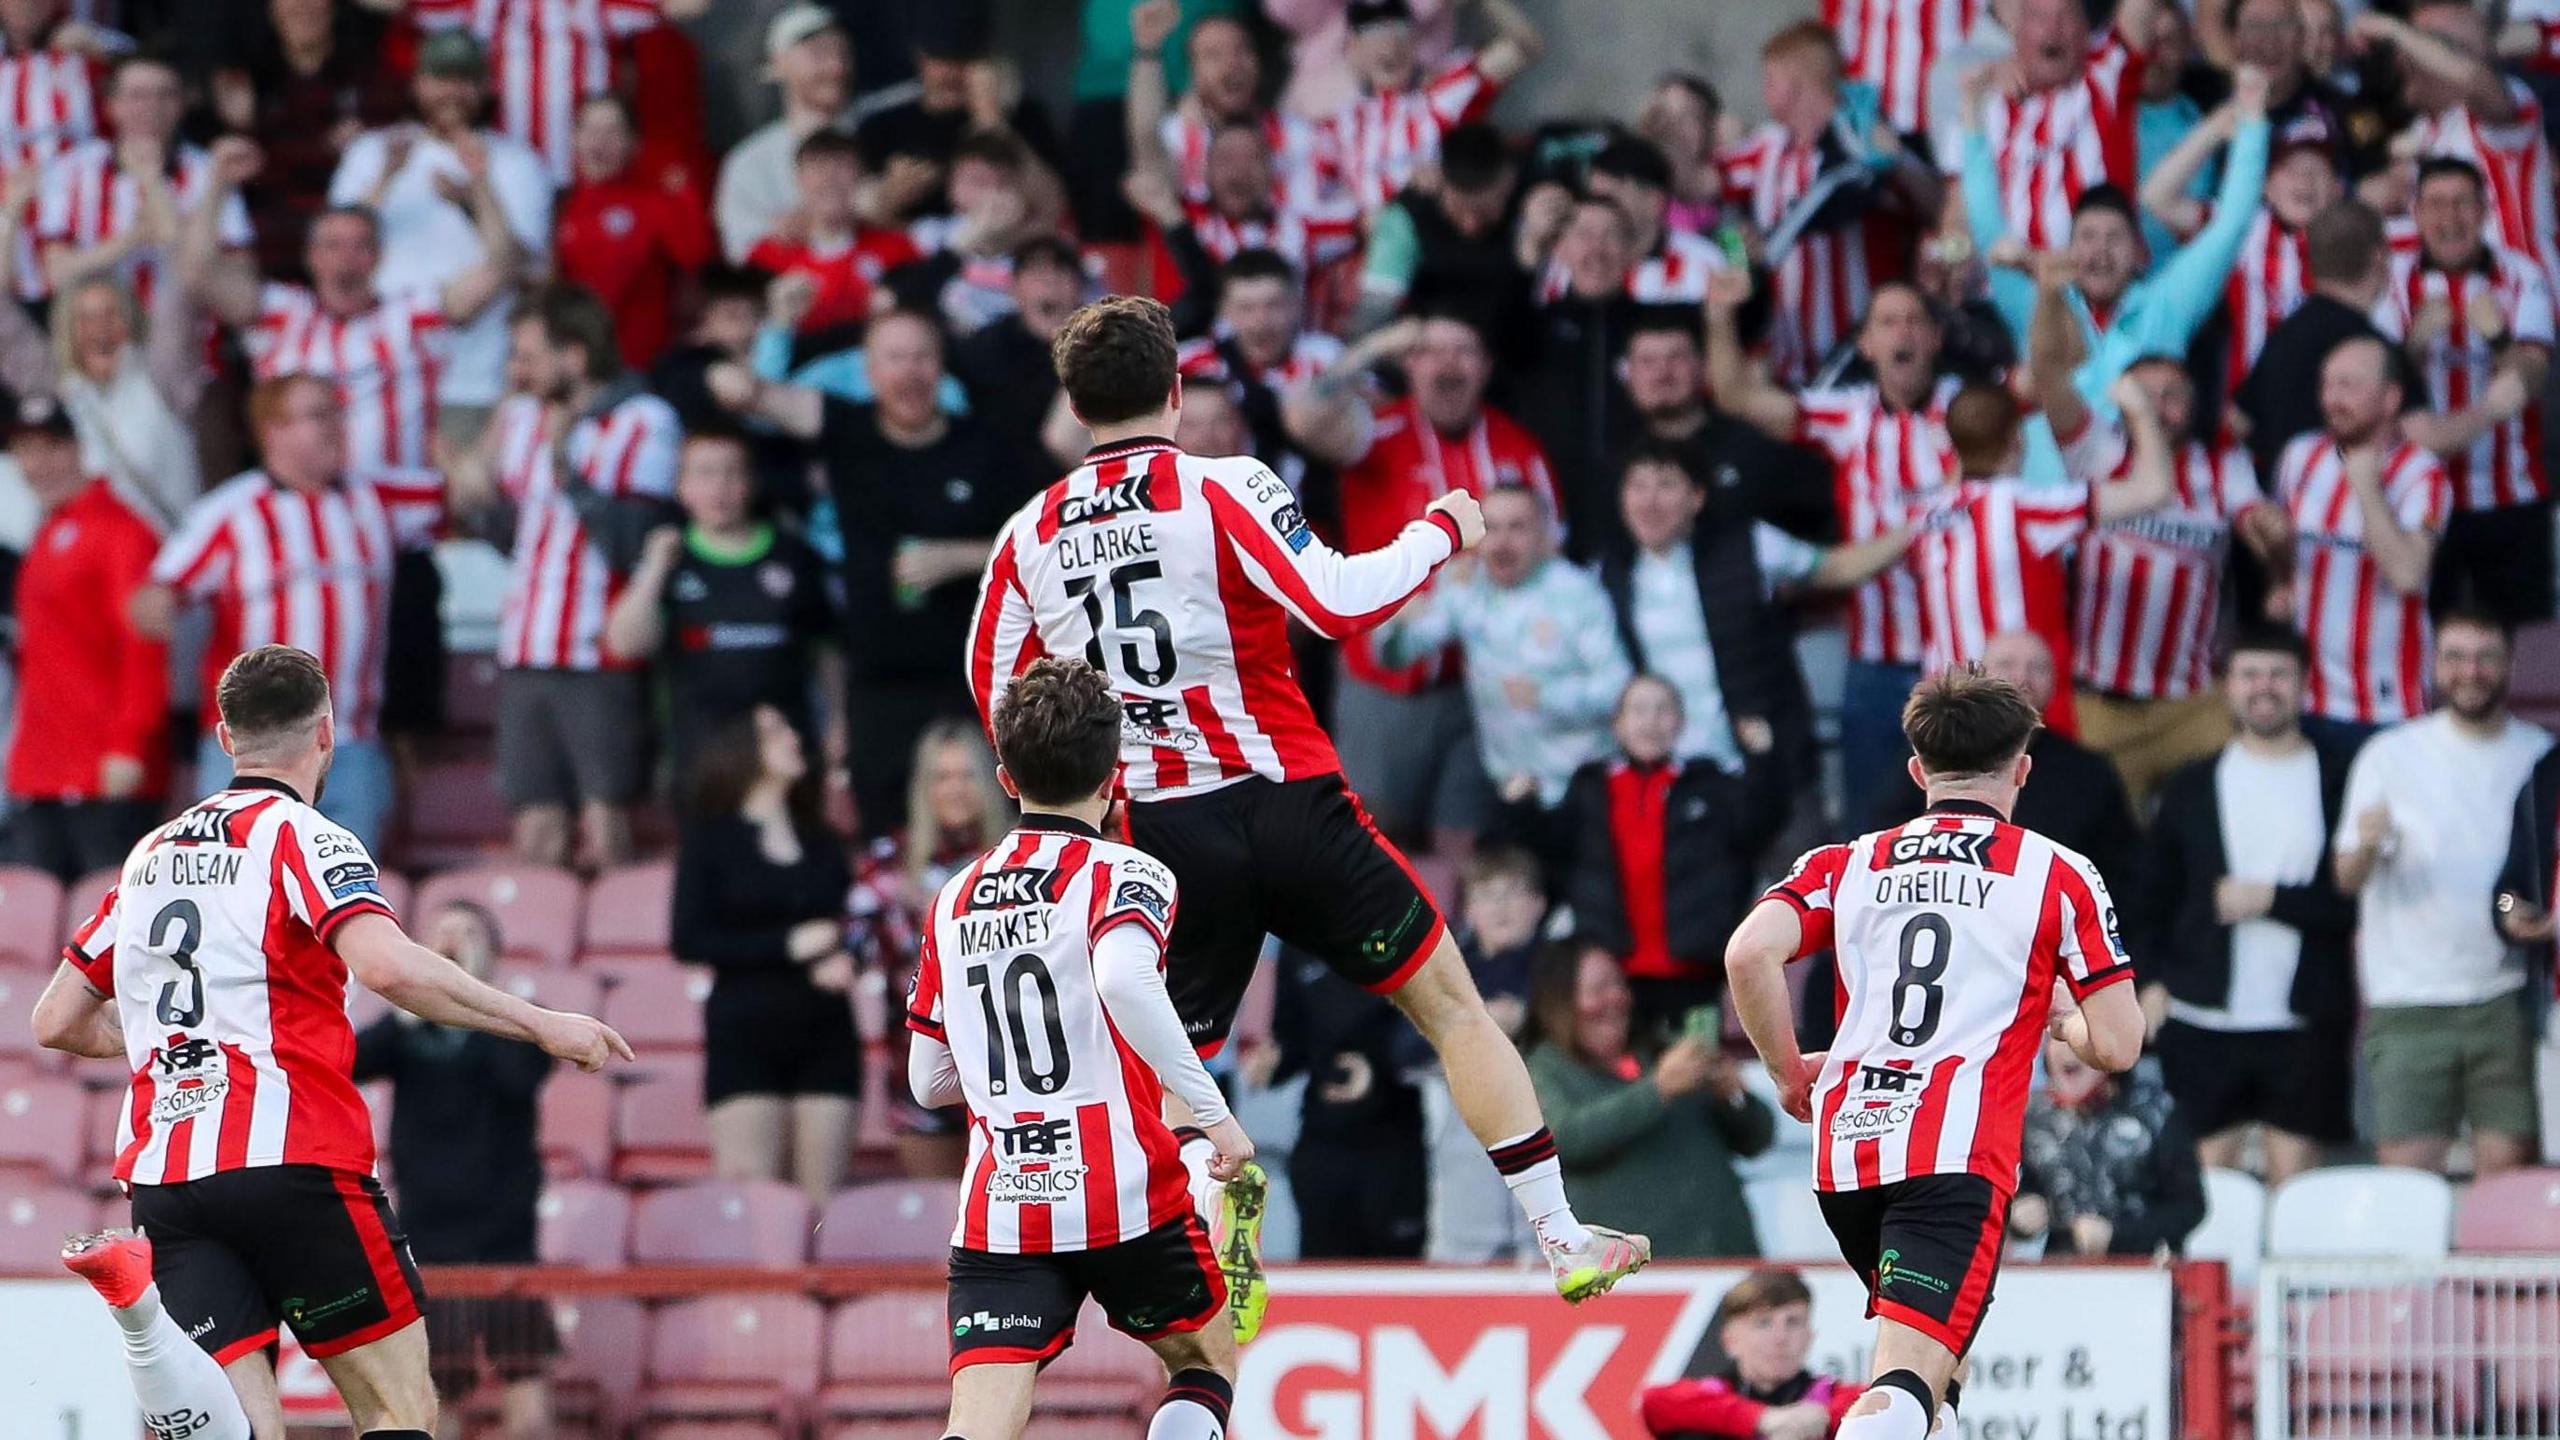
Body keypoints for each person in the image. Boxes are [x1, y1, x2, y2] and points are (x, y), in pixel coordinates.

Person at [968, 296, 1652, 1313]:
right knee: (1452, 1009)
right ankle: (1560, 1239)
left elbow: (996, 694)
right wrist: (1438, 532)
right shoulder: (1220, 486)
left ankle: (1199, 1258)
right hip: (1288, 803)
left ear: (1073, 405)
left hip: (1159, 835)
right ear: (1175, 389)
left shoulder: (1026, 536)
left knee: (1172, 1076)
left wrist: (1087, 803)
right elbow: (1335, 602)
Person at [32, 643, 627, 1440]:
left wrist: (178, 1040)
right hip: (293, 1163)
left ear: (224, 739)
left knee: (241, 1427)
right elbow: (386, 967)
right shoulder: (308, 837)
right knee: (396, 1409)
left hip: (167, 1177)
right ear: (326, 735)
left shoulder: (148, 858)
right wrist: (542, 1023)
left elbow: (55, 1021)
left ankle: (143, 1320)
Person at [1727, 669, 2146, 1440]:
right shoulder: (2056, 874)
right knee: (1905, 1379)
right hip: (1953, 1158)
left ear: (1920, 772)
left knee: (1940, 1381)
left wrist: (1788, 1073)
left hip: (1847, 1156)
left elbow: (1749, 954)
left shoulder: (1848, 862)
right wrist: (2062, 1021)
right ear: (2022, 768)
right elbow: (2118, 1044)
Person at [909, 657, 1249, 1440]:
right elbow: (1126, 980)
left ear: (1004, 776)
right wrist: (1215, 1116)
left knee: (983, 1419)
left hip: (1006, 1205)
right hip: (1123, 1193)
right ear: (1111, 775)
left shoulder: (952, 898)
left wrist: (1009, 1082)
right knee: (1205, 1361)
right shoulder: (1129, 873)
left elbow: (928, 1082)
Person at [705, 308, 1044, 838]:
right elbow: (741, 392)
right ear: (868, 370)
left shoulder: (988, 446)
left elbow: (1046, 543)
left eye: (921, 357)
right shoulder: (847, 427)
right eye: (893, 358)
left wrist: (959, 556)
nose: (909, 372)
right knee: (883, 834)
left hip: (973, 684)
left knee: (990, 832)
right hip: (879, 684)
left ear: (941, 368)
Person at [1285, 308, 1558, 851]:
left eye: (1463, 352)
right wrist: (1374, 345)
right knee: (1373, 845)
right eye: (1430, 351)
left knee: (1468, 846)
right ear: (1409, 365)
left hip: (1478, 692)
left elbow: (1551, 556)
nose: (1448, 366)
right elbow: (1303, 419)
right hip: (1382, 683)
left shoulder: (1520, 449)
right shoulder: (1376, 432)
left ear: (1485, 367)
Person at [133, 375, 442, 853]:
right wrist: (162, 612)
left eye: (337, 412)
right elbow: (156, 596)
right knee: (245, 903)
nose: (336, 427)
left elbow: (461, 495)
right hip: (254, 750)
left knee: (347, 908)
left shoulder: (377, 497)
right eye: (319, 415)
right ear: (273, 431)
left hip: (350, 744)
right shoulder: (232, 511)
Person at [1707, 277, 1955, 821]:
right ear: (1865, 345)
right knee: (1869, 827)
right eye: (1887, 323)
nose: (1902, 333)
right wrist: (1721, 317)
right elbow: (1737, 397)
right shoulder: (1848, 415)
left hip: (1959, 660)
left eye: (1914, 320)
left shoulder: (1969, 410)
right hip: (1873, 660)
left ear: (1937, 337)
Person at [452, 283, 680, 869]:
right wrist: (480, 505)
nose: (516, 372)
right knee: (535, 828)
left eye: (528, 356)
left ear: (574, 355)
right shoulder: (524, 419)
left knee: (608, 827)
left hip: (598, 655)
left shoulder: (645, 421)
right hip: (525, 648)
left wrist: (568, 472)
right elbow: (518, 539)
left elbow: (635, 543)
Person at [2133, 626, 2356, 1188]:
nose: (2265, 688)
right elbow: (2149, 895)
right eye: (2250, 675)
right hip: (2201, 1014)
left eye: (2279, 675)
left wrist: (2273, 901)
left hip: (2304, 1018)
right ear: (2226, 688)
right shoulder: (2189, 786)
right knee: (2207, 1193)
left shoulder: (2341, 779)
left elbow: (2354, 904)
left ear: (2306, 685)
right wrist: (2150, 980)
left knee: (2299, 1190)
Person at [2334, 613, 2552, 1178]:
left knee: (2507, 1192)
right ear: (2433, 665)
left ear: (2509, 665)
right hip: (2408, 1002)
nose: (2470, 672)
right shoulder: (2389, 753)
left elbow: (2514, 888)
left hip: (2503, 1000)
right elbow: (2344, 878)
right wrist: (2367, 846)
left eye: (2486, 657)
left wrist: (2521, 915)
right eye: (2455, 656)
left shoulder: (2540, 754)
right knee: (2406, 1189)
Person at [351, 900, 559, 1440]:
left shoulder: (522, 1021)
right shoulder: (406, 1033)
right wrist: (410, 1006)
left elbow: (520, 1077)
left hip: (506, 1233)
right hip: (429, 1231)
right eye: (441, 936)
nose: (452, 943)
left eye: (467, 934)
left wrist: (471, 1000)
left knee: (527, 1394)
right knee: (436, 1398)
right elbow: (347, 1061)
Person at [2046, 353, 2287, 806]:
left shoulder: (2224, 468)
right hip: (2102, 706)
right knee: (2104, 849)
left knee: (2218, 826)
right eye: (2145, 395)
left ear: (2194, 407)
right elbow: (2050, 384)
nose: (2157, 407)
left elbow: (2260, 528)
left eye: (2171, 396)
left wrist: (2277, 549)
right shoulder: (2096, 451)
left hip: (2191, 705)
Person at [328, 28, 553, 449]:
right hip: (377, 374)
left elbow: (529, 267)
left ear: (485, 86)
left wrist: (476, 196)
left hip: (471, 378)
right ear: (418, 83)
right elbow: (335, 254)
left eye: (465, 79)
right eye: (441, 78)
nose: (452, 91)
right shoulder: (372, 151)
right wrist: (385, 178)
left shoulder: (516, 161)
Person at [674, 704, 862, 1207]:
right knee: (753, 1203)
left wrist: (850, 959)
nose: (794, 738)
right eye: (775, 732)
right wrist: (786, 947)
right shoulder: (711, 841)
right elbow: (689, 938)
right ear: (742, 753)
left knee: (824, 1207)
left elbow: (859, 921)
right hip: (745, 1028)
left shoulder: (823, 840)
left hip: (826, 1028)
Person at [1371, 482, 1631, 843]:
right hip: (1512, 791)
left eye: (1517, 527)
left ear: (1544, 535)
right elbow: (1397, 655)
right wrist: (1397, 619)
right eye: (1491, 528)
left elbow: (1618, 688)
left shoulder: (1578, 593)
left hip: (1584, 788)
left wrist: (1546, 696)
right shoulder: (1467, 589)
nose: (1502, 542)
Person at [2370, 158, 2555, 627]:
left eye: (2462, 203)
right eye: (2435, 204)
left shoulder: (2521, 273)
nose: (2449, 218)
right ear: (2415, 212)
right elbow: (2377, 387)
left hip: (2510, 493)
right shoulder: (2393, 277)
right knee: (2422, 637)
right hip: (2417, 494)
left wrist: (2497, 340)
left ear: (2484, 210)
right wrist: (2413, 344)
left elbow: (2533, 374)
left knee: (2524, 646)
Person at [1564, 673, 1790, 1038]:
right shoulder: (1589, 789)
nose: (1650, 721)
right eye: (1638, 710)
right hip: (1616, 976)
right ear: (1617, 724)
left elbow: (1760, 823)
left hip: (1694, 972)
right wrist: (1518, 804)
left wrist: (1763, 760)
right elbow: (1553, 852)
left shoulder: (1709, 785)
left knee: (1694, 1076)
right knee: (1629, 1082)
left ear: (1680, 723)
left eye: (1662, 710)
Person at [602, 427, 838, 774]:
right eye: (705, 473)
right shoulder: (670, 558)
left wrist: (837, 723)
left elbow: (828, 650)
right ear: (681, 487)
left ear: (752, 482)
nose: (719, 487)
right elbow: (624, 644)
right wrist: (654, 568)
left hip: (788, 756)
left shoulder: (795, 556)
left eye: (732, 473)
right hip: (701, 760)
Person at [1717, 23, 1940, 385]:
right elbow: (1705, 182)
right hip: (1787, 364)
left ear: (1795, 82)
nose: (1764, 90)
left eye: (1770, 78)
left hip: (1862, 362)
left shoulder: (1867, 139)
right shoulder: (1767, 149)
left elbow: (1935, 207)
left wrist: (1896, 158)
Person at [0, 395, 166, 881]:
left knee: (109, 926)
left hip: (103, 771)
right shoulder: (49, 531)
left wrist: (129, 745)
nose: (39, 464)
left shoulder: (121, 530)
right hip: (40, 770)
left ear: (76, 448)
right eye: (25, 451)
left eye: (51, 448)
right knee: (27, 930)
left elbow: (144, 646)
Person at [1523, 943, 1773, 1259]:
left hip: (1725, 1258)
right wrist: (1658, 1089)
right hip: (1633, 1273)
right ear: (1559, 1001)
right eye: (1599, 988)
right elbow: (1563, 1139)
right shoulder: (1543, 1069)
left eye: (1619, 985)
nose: (1615, 998)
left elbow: (1758, 1139)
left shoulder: (1667, 1051)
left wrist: (1733, 1095)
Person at [2272, 335, 2451, 752]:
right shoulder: (2300, 456)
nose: (2331, 399)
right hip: (2304, 700)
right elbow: (2285, 548)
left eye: (2348, 386)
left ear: (2390, 399)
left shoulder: (2421, 474)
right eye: (2326, 385)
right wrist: (2277, 578)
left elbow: (2407, 574)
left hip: (2389, 708)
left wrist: (2366, 488)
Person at [849, 719, 1013, 1172]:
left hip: (1016, 1068)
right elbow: (852, 954)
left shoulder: (1023, 861)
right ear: (924, 787)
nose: (955, 789)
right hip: (921, 1066)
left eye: (967, 776)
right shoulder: (887, 866)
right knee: (940, 1222)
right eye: (942, 777)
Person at [1861, 629, 2140, 891]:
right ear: (1979, 676)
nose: (2022, 678)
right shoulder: (1934, 752)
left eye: (2037, 668)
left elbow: (2120, 876)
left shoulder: (2089, 772)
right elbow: (1882, 848)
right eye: (2007, 665)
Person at [30, 51, 251, 307]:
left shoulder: (210, 172)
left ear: (182, 104)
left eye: (165, 95)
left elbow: (241, 293)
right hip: (90, 332)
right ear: (111, 105)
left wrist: (152, 183)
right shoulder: (71, 169)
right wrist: (134, 237)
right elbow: (57, 275)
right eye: (137, 96)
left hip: (181, 334)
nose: (151, 107)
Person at [1409, 846, 1543, 1262]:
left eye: (1512, 893)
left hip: (1547, 1144)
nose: (1500, 907)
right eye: (1487, 895)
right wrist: (1474, 1026)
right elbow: (1401, 1047)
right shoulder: (1446, 969)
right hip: (1465, 1164)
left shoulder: (1559, 966)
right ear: (1468, 909)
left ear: (1538, 905)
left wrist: (1530, 1018)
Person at [1264, 946, 1431, 1259]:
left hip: (1393, 1141)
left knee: (1398, 1278)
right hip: (1322, 1141)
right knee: (1323, 1276)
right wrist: (1271, 1062)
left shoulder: (1402, 926)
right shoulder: (1298, 946)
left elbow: (1422, 1035)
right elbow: (1290, 1038)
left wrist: (1381, 1061)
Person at [2231, 200, 2395, 492]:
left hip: (2282, 509)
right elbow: (2419, 434)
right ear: (2379, 257)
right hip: (2351, 513)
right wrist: (2492, 407)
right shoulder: (2373, 350)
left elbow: (2239, 421)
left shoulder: (2285, 334)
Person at [1321, 0, 1541, 215]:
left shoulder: (1441, 93)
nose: (1389, 44)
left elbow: (1523, 46)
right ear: (1353, 50)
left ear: (1414, 41)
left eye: (1399, 31)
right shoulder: (1344, 122)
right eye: (1372, 33)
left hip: (1438, 230)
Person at [552, 92, 716, 371]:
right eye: (589, 129)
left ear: (633, 143)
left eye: (612, 131)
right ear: (575, 138)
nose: (599, 141)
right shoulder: (558, 204)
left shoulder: (654, 203)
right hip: (571, 365)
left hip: (637, 366)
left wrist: (685, 196)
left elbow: (696, 253)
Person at [2012, 1032, 2205, 1258]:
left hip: (2144, 1269)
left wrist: (2116, 1235)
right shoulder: (2034, 1114)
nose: (2067, 1049)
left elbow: (2189, 1207)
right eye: (2058, 1039)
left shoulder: (2156, 1113)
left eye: (2079, 1039)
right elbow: (2024, 1187)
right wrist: (2021, 1213)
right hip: (2060, 1272)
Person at [1348, 120, 1530, 350]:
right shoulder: (1402, 222)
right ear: (1439, 181)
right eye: (1458, 208)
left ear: (1509, 181)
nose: (1470, 224)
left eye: (1485, 211)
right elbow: (1370, 326)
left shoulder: (1531, 182)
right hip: (1441, 350)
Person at [1639, 1268, 1867, 1440]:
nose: (1780, 1337)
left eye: (1793, 1322)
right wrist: (1762, 1420)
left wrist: (1823, 1418)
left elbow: (1883, 1407)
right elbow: (1654, 1402)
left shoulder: (1835, 1397)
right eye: (1763, 1323)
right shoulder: (1710, 1394)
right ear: (1730, 1340)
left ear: (1810, 1335)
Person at [745, 130, 924, 339]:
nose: (830, 179)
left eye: (841, 166)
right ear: (798, 179)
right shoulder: (767, 256)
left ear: (861, 176)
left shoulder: (897, 247)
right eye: (818, 167)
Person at [714, 5, 853, 264]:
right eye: (818, 54)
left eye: (841, 52)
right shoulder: (749, 163)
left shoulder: (879, 136)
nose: (836, 66)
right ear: (777, 64)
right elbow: (741, 255)